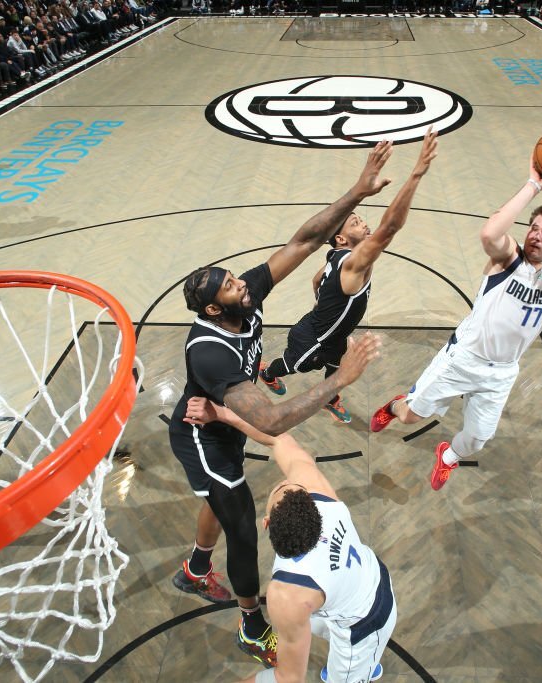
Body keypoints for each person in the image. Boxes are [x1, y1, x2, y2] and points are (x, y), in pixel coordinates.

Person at [168, 142, 392, 669]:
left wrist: (358, 188)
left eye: (236, 277)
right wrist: (339, 376)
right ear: (210, 307)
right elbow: (268, 417)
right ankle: (250, 624)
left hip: (227, 416)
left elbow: (306, 239)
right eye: (229, 284)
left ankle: (196, 567)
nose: (242, 282)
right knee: (243, 525)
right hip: (205, 437)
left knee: (219, 502)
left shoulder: (243, 300)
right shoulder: (208, 347)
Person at [370, 137, 542, 491]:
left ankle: (447, 456)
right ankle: (400, 403)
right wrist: (534, 185)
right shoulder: (507, 259)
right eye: (534, 228)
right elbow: (491, 231)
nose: (537, 236)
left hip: (501, 373)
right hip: (463, 358)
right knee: (412, 417)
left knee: (478, 439)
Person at [184, 402, 396, 683]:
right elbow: (278, 437)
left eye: (282, 485)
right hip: (363, 576)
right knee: (304, 620)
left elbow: (288, 679)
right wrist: (221, 414)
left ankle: (362, 669)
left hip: (366, 621)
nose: (288, 479)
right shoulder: (321, 497)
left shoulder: (286, 594)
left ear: (266, 523)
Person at [259, 130, 439, 424]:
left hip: (331, 333)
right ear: (341, 239)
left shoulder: (335, 257)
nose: (363, 222)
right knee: (294, 366)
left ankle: (330, 398)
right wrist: (416, 174)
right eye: (355, 222)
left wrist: (324, 303)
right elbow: (389, 228)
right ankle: (267, 373)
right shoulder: (352, 263)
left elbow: (317, 279)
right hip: (312, 340)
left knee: (338, 366)